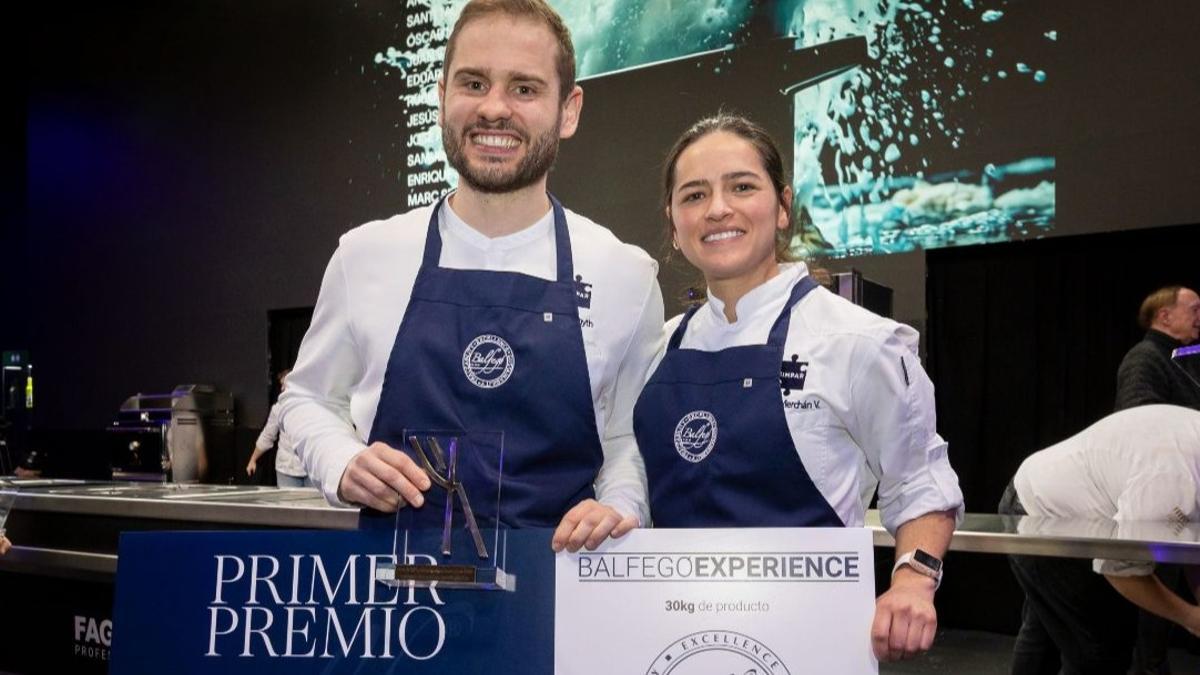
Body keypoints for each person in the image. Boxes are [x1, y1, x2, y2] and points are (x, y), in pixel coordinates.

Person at [280, 0, 663, 552]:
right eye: (473, 83)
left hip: (561, 598)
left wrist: (619, 507)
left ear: (569, 109)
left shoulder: (624, 272)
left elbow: (628, 435)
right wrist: (341, 463)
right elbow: (308, 398)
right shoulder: (366, 254)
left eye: (525, 89)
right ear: (441, 98)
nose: (494, 109)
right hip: (395, 609)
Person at [632, 113, 963, 662]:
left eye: (742, 187)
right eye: (694, 195)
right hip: (673, 641)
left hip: (808, 642)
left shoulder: (858, 342)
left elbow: (920, 481)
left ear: (782, 206)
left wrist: (913, 581)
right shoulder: (657, 353)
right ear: (673, 223)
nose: (717, 209)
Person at [999, 404, 1200, 675]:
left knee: (1046, 633)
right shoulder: (1171, 482)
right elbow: (1118, 568)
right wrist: (1190, 617)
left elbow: (1191, 543)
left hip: (1060, 500)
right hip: (1043, 514)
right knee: (1099, 655)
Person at [1115, 285, 1200, 412]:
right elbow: (1139, 415)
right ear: (1165, 317)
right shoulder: (1144, 357)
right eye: (1195, 310)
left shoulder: (1185, 357)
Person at [246, 370, 311, 488]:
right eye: (281, 385)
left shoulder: (312, 407)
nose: (281, 389)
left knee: (314, 505)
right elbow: (267, 436)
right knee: (288, 506)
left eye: (284, 385)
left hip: (312, 470)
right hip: (286, 469)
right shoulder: (278, 409)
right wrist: (253, 459)